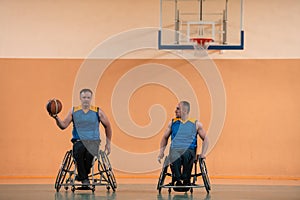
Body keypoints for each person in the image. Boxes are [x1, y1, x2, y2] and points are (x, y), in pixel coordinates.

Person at [49, 88, 112, 186]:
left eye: (88, 97)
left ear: (91, 98)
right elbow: (63, 125)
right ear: (80, 98)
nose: (86, 99)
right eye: (84, 97)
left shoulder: (97, 111)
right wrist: (56, 117)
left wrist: (108, 143)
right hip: (79, 141)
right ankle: (84, 179)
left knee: (89, 153)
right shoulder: (74, 111)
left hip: (93, 141)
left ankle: (82, 176)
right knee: (80, 151)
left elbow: (107, 126)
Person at [158, 101, 209, 188]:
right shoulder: (172, 123)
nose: (175, 111)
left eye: (178, 109)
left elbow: (206, 139)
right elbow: (164, 138)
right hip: (175, 150)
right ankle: (177, 179)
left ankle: (186, 179)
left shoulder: (196, 124)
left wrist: (203, 154)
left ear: (184, 111)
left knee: (185, 154)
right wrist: (161, 152)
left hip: (189, 150)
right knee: (174, 155)